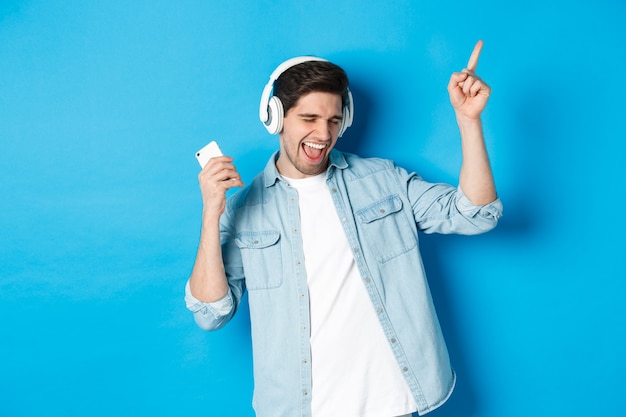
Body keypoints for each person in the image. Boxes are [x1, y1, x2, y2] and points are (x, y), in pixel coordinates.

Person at [185, 40, 502, 417]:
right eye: (309, 119)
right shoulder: (245, 209)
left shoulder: (384, 180)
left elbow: (475, 214)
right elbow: (210, 313)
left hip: (394, 402)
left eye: (334, 120)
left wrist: (469, 122)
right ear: (275, 117)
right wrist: (211, 213)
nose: (324, 133)